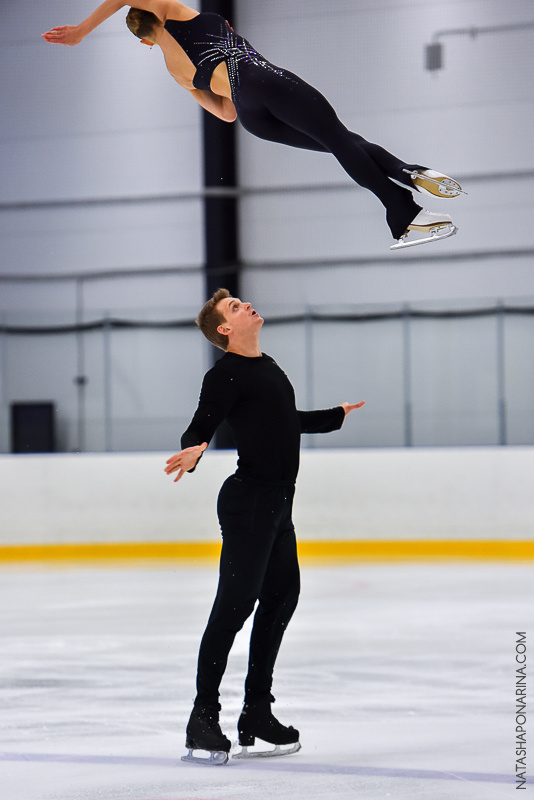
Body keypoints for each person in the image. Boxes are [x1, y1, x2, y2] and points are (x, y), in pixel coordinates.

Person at [42, 0, 462, 248]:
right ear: (155, 15)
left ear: (143, 41)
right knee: (341, 137)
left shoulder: (174, 72)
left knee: (342, 143)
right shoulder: (180, 14)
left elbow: (224, 113)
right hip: (262, 78)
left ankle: (407, 189)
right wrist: (81, 30)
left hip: (250, 116)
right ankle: (401, 198)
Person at [163, 288, 365, 764]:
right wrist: (194, 449)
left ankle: (256, 712)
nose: (244, 305)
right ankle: (202, 718)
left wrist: (333, 417)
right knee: (233, 608)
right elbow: (202, 423)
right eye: (233, 307)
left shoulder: (268, 366)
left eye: (240, 301)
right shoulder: (225, 374)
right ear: (226, 331)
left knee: (280, 598)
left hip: (276, 504)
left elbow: (281, 421)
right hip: (249, 503)